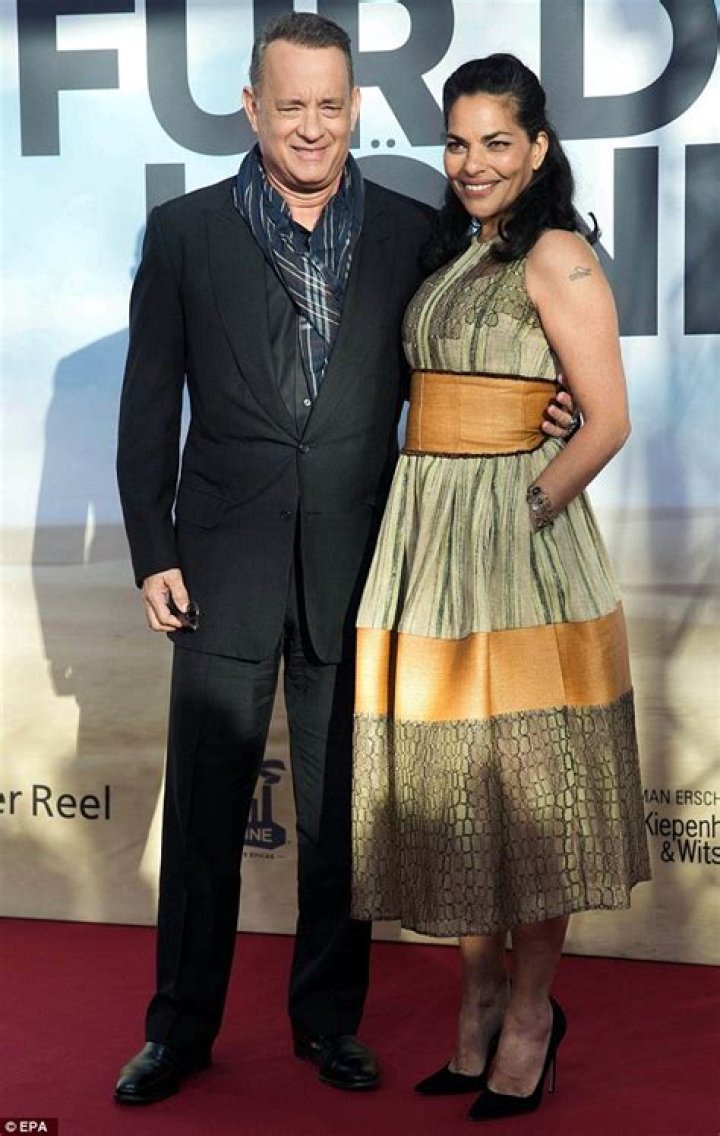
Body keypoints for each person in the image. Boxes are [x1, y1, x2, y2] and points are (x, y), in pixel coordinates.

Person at [114, 15, 576, 1106]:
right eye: (291, 106)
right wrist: (151, 547)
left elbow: (464, 359)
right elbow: (148, 406)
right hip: (220, 565)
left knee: (338, 820)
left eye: (331, 104)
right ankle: (179, 1029)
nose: (312, 126)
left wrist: (544, 407)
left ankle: (327, 1022)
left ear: (356, 107)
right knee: (205, 820)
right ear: (252, 108)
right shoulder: (183, 233)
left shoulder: (415, 232)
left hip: (361, 563)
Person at [351, 53, 651, 1122]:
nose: (472, 162)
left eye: (496, 142)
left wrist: (525, 510)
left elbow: (607, 419)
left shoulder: (558, 252)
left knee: (529, 788)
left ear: (539, 148)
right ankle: (476, 1005)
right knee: (459, 785)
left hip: (516, 551)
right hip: (429, 542)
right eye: (457, 142)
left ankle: (529, 1017)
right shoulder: (461, 250)